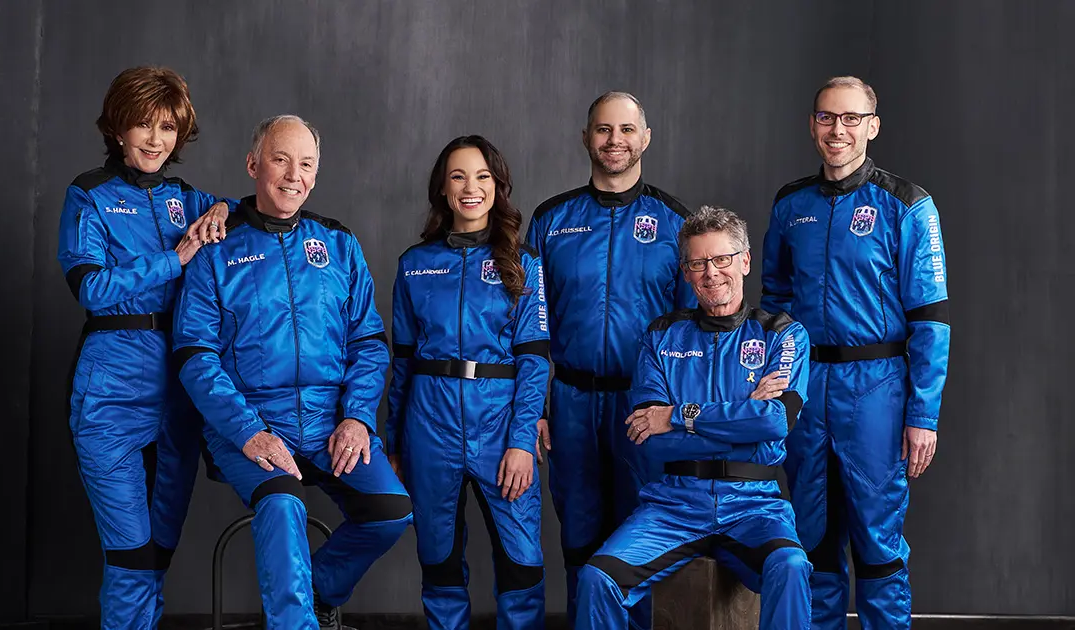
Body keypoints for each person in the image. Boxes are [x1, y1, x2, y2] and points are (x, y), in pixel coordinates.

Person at [173, 115, 413, 630]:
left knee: (392, 510)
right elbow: (196, 357)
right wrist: (249, 432)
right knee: (283, 505)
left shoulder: (339, 244)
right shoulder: (215, 247)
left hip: (330, 424)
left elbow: (369, 344)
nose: (292, 175)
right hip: (249, 426)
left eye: (306, 164)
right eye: (281, 159)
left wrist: (358, 418)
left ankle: (315, 594)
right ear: (253, 165)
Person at [761, 76, 950, 628]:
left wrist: (922, 415)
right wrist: (777, 378)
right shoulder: (791, 204)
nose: (837, 129)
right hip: (805, 385)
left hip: (877, 388)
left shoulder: (906, 205)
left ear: (872, 126)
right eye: (825, 117)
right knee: (810, 533)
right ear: (813, 125)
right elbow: (773, 302)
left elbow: (931, 321)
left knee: (876, 537)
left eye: (849, 118)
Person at [577, 205, 812, 630]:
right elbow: (651, 436)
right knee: (597, 578)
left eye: (721, 259)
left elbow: (776, 423)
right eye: (698, 263)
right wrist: (744, 418)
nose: (711, 273)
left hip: (754, 504)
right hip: (673, 505)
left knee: (791, 566)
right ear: (685, 271)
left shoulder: (782, 333)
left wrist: (679, 415)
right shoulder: (661, 335)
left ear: (744, 261)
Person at [57, 66, 232, 630]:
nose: (155, 139)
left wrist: (226, 209)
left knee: (156, 556)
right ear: (117, 128)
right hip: (110, 392)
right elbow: (90, 286)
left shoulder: (188, 197)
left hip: (178, 399)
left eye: (166, 127)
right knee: (130, 558)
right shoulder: (89, 194)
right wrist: (173, 260)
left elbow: (242, 209)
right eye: (142, 125)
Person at [525, 91, 695, 625]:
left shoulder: (674, 222)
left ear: (645, 137)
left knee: (638, 536)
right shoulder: (551, 220)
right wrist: (537, 406)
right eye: (603, 130)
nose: (614, 141)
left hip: (642, 407)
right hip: (571, 401)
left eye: (626, 130)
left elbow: (692, 334)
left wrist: (675, 415)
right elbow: (529, 328)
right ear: (585, 138)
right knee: (577, 535)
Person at [387, 136, 549, 629]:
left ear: (498, 187)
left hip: (500, 427)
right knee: (437, 559)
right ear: (442, 188)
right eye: (458, 176)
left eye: (482, 177)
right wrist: (394, 442)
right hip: (428, 426)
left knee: (521, 562)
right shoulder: (415, 264)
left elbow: (536, 362)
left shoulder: (525, 265)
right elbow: (401, 364)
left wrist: (522, 441)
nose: (470, 187)